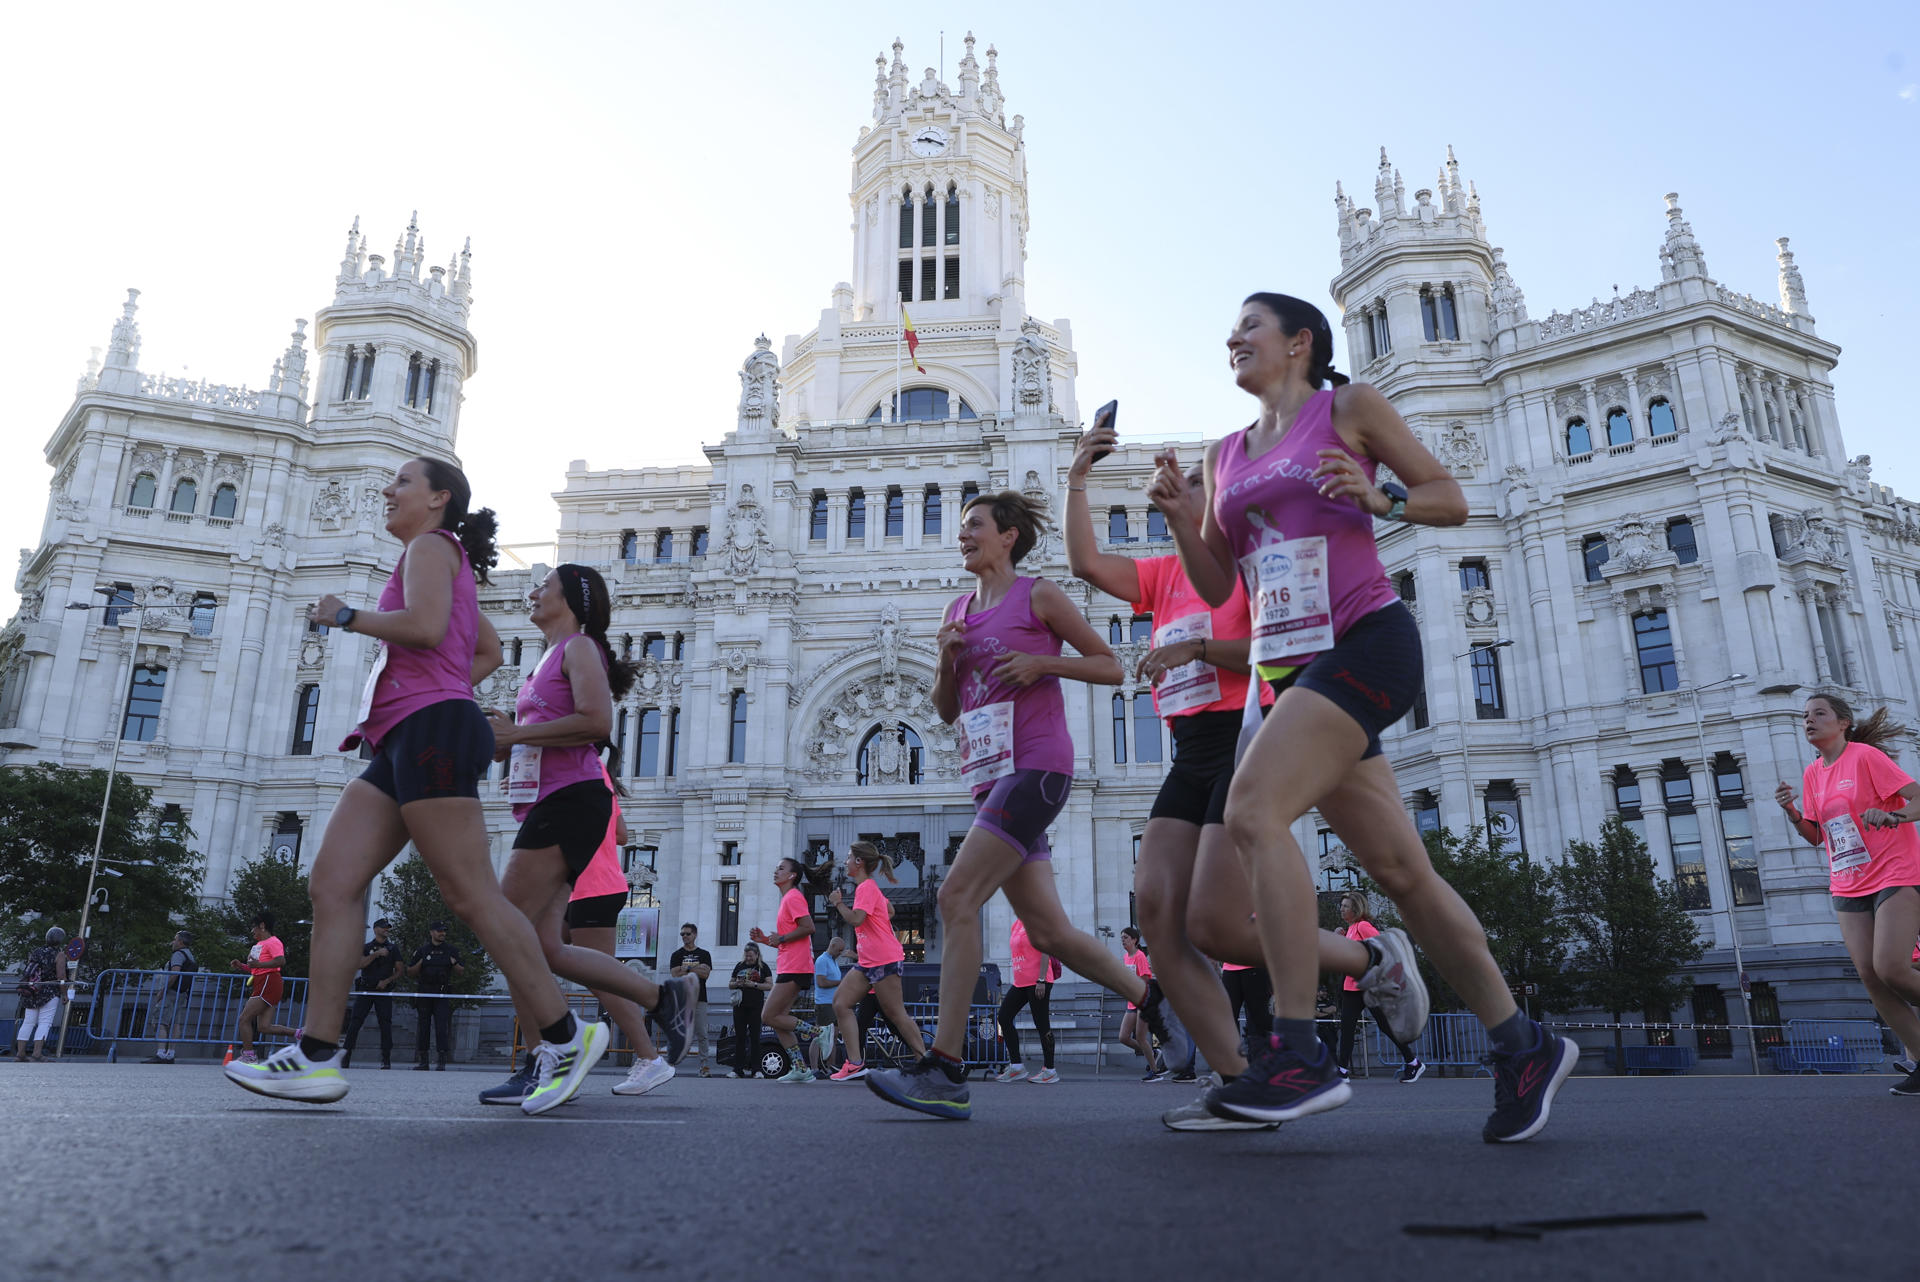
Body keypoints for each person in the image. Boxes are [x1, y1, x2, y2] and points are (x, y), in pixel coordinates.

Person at [1152, 292, 1575, 1142]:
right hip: (1290, 669)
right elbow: (1216, 586)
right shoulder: (1224, 453)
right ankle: (1524, 1044)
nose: (1231, 338)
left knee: (1253, 811)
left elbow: (1449, 499)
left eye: (1250, 327)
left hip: (1367, 643)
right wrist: (1176, 516)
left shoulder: (1346, 408)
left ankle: (1300, 1052)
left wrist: (1380, 504)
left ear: (1300, 342)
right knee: (1400, 874)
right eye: (1229, 328)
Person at [1065, 423, 1426, 1130]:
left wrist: (1197, 647)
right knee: (1161, 921)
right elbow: (1084, 563)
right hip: (1188, 749)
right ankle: (1236, 1078)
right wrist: (1077, 475)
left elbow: (1272, 647)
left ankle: (1366, 956)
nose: (1185, 489)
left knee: (1221, 925)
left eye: (1201, 483)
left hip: (1244, 736)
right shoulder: (1164, 576)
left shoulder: (1241, 568)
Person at [226, 457, 607, 1114]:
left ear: (438, 499)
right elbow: (479, 649)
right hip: (401, 739)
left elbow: (429, 630)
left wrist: (347, 616)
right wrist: (444, 680)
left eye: (401, 482)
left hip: (432, 730)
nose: (387, 490)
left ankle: (566, 1036)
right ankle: (317, 1054)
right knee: (333, 883)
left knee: (471, 895)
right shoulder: (434, 558)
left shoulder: (433, 547)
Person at [866, 490, 1182, 1121]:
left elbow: (1108, 665)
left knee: (955, 898)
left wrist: (1040, 662)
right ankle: (1154, 1000)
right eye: (961, 528)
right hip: (988, 777)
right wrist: (946, 658)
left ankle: (946, 1066)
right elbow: (947, 709)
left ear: (1008, 535)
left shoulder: (1037, 595)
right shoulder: (959, 609)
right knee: (1050, 932)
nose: (962, 537)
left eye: (973, 526)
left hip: (1037, 767)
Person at [478, 565, 698, 1102]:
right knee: (544, 945)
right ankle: (662, 998)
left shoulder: (580, 648)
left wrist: (519, 733)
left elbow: (597, 723)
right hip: (548, 802)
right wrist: (506, 737)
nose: (532, 592)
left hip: (569, 799)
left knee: (503, 925)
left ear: (571, 600)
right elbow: (540, 733)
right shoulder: (544, 661)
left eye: (544, 586)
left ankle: (552, 1051)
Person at [1775, 691, 1920, 1097]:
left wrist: (1893, 815)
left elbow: (1918, 799)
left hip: (1894, 872)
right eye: (1804, 715)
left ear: (1842, 723)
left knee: (1891, 967)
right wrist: (1792, 814)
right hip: (1847, 881)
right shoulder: (1812, 773)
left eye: (1818, 713)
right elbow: (1818, 835)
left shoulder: (1865, 757)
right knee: (1872, 977)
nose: (1808, 720)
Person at [826, 842, 930, 1081]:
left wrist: (837, 902)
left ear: (859, 862)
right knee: (841, 1003)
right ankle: (854, 1063)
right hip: (868, 961)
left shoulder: (866, 888)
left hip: (883, 959)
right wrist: (879, 911)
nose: (846, 861)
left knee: (896, 1014)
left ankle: (926, 1061)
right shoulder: (870, 889)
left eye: (849, 857)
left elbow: (856, 919)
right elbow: (890, 911)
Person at [749, 857, 828, 1084]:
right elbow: (787, 939)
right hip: (791, 963)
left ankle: (819, 1033)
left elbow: (808, 927)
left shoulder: (793, 897)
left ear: (792, 875)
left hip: (796, 965)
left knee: (768, 1015)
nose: (776, 871)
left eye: (781, 868)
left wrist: (781, 937)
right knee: (778, 1019)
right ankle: (800, 1068)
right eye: (776, 868)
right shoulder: (787, 899)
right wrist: (765, 940)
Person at [993, 916, 1059, 1084]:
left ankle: (1050, 1070)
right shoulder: (1016, 923)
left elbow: (1046, 949)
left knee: (1042, 1024)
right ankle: (1016, 1066)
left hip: (1039, 980)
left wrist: (1042, 979)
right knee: (1004, 1017)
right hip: (1021, 981)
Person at [230, 912, 298, 1064]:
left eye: (254, 927)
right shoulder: (258, 945)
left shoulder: (273, 942)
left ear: (262, 926)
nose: (252, 931)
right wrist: (242, 966)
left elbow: (281, 961)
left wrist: (258, 965)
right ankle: (300, 1033)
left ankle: (249, 1055)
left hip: (269, 982)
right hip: (263, 982)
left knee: (244, 1019)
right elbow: (256, 969)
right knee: (264, 1027)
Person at [341, 919, 401, 1070]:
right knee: (355, 1022)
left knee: (385, 1024)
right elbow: (360, 964)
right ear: (376, 929)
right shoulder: (366, 947)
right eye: (384, 927)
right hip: (366, 989)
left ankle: (386, 1059)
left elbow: (400, 970)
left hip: (383, 991)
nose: (387, 930)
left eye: (388, 928)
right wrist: (376, 954)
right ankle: (346, 1057)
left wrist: (387, 981)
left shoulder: (393, 948)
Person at [408, 922, 464, 1070]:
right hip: (424, 992)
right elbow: (411, 972)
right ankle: (424, 1061)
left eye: (444, 931)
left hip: (441, 993)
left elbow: (461, 971)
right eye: (439, 931)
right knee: (424, 1027)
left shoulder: (451, 950)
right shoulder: (422, 950)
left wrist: (454, 963)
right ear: (431, 932)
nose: (442, 933)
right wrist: (421, 962)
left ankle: (441, 1061)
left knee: (441, 1027)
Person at [13, 926, 69, 1063]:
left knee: (28, 1022)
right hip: (49, 992)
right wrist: (64, 994)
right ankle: (37, 1053)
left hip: (32, 990)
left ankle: (20, 1054)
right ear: (60, 940)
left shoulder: (36, 951)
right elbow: (61, 976)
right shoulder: (59, 955)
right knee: (45, 1022)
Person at [143, 930, 197, 1064]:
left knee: (160, 1021)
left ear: (181, 942)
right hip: (182, 993)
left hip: (171, 992)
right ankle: (170, 1054)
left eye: (175, 939)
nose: (173, 942)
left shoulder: (178, 955)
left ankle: (160, 1053)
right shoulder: (190, 956)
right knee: (175, 1023)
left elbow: (175, 974)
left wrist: (163, 990)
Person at [669, 923, 716, 1076]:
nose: (684, 937)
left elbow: (705, 974)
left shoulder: (704, 954)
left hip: (700, 998)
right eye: (682, 934)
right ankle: (670, 1065)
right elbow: (675, 973)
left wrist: (687, 968)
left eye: (687, 934)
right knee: (679, 1033)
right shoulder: (676, 955)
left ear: (695, 935)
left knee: (702, 1033)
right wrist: (697, 968)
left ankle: (704, 1066)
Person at [1118, 927, 1164, 1081]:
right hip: (1131, 1001)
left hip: (1143, 1000)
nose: (1123, 940)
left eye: (1125, 938)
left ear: (1134, 940)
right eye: (1122, 938)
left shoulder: (1140, 956)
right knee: (1123, 1037)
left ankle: (1155, 1071)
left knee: (1141, 1036)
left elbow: (1145, 979)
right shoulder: (1125, 957)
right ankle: (1152, 1053)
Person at [727, 943, 772, 1077]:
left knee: (755, 1038)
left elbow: (770, 985)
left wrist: (754, 984)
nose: (748, 959)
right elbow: (730, 984)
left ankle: (756, 1069)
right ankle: (737, 1069)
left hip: (756, 1006)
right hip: (740, 1005)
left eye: (751, 956)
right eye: (746, 956)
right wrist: (737, 984)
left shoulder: (763, 967)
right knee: (739, 1037)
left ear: (757, 955)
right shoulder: (740, 965)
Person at [809, 936, 847, 1076]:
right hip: (824, 1004)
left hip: (833, 1003)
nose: (841, 953)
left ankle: (831, 1067)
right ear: (832, 946)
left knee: (833, 1037)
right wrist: (839, 982)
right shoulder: (822, 960)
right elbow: (821, 982)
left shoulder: (832, 961)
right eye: (839, 950)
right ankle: (814, 1068)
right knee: (820, 1036)